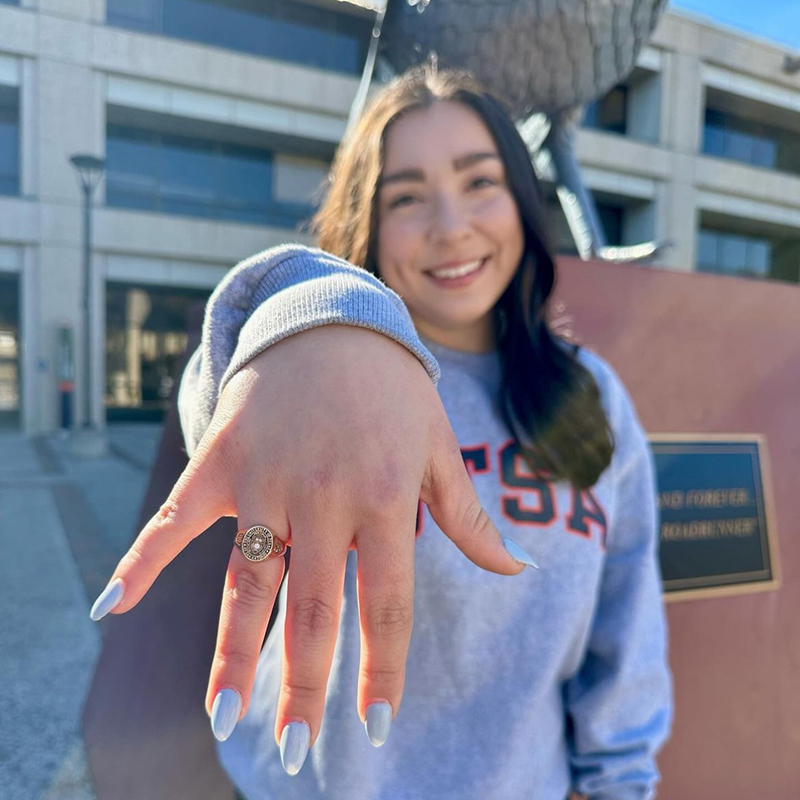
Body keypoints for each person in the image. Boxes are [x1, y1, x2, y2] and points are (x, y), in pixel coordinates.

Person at [89, 65, 672, 799]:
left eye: (479, 182)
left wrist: (622, 784)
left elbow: (627, 635)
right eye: (406, 196)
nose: (450, 225)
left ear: (524, 201)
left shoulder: (595, 396)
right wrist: (308, 322)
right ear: (366, 218)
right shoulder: (333, 374)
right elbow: (221, 386)